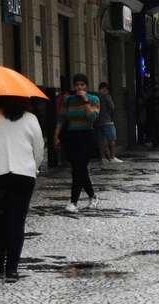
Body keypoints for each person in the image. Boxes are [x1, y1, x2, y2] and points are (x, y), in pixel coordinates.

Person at [0, 97, 44, 283]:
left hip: (0, 175)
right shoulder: (31, 118)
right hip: (25, 176)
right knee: (17, 222)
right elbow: (39, 149)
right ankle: (12, 268)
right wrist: (33, 168)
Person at [54, 74, 100, 213]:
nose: (79, 87)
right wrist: (56, 136)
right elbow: (61, 119)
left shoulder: (94, 99)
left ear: (86, 86)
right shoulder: (69, 100)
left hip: (87, 136)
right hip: (72, 137)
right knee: (78, 168)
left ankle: (73, 202)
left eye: (82, 85)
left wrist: (85, 100)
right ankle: (93, 196)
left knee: (79, 169)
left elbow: (92, 117)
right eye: (77, 85)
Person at [96, 82, 123, 163]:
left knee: (101, 140)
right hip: (107, 121)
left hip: (98, 122)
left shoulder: (96, 96)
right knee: (112, 139)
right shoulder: (106, 96)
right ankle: (112, 157)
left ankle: (103, 158)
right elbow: (112, 107)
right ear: (105, 89)